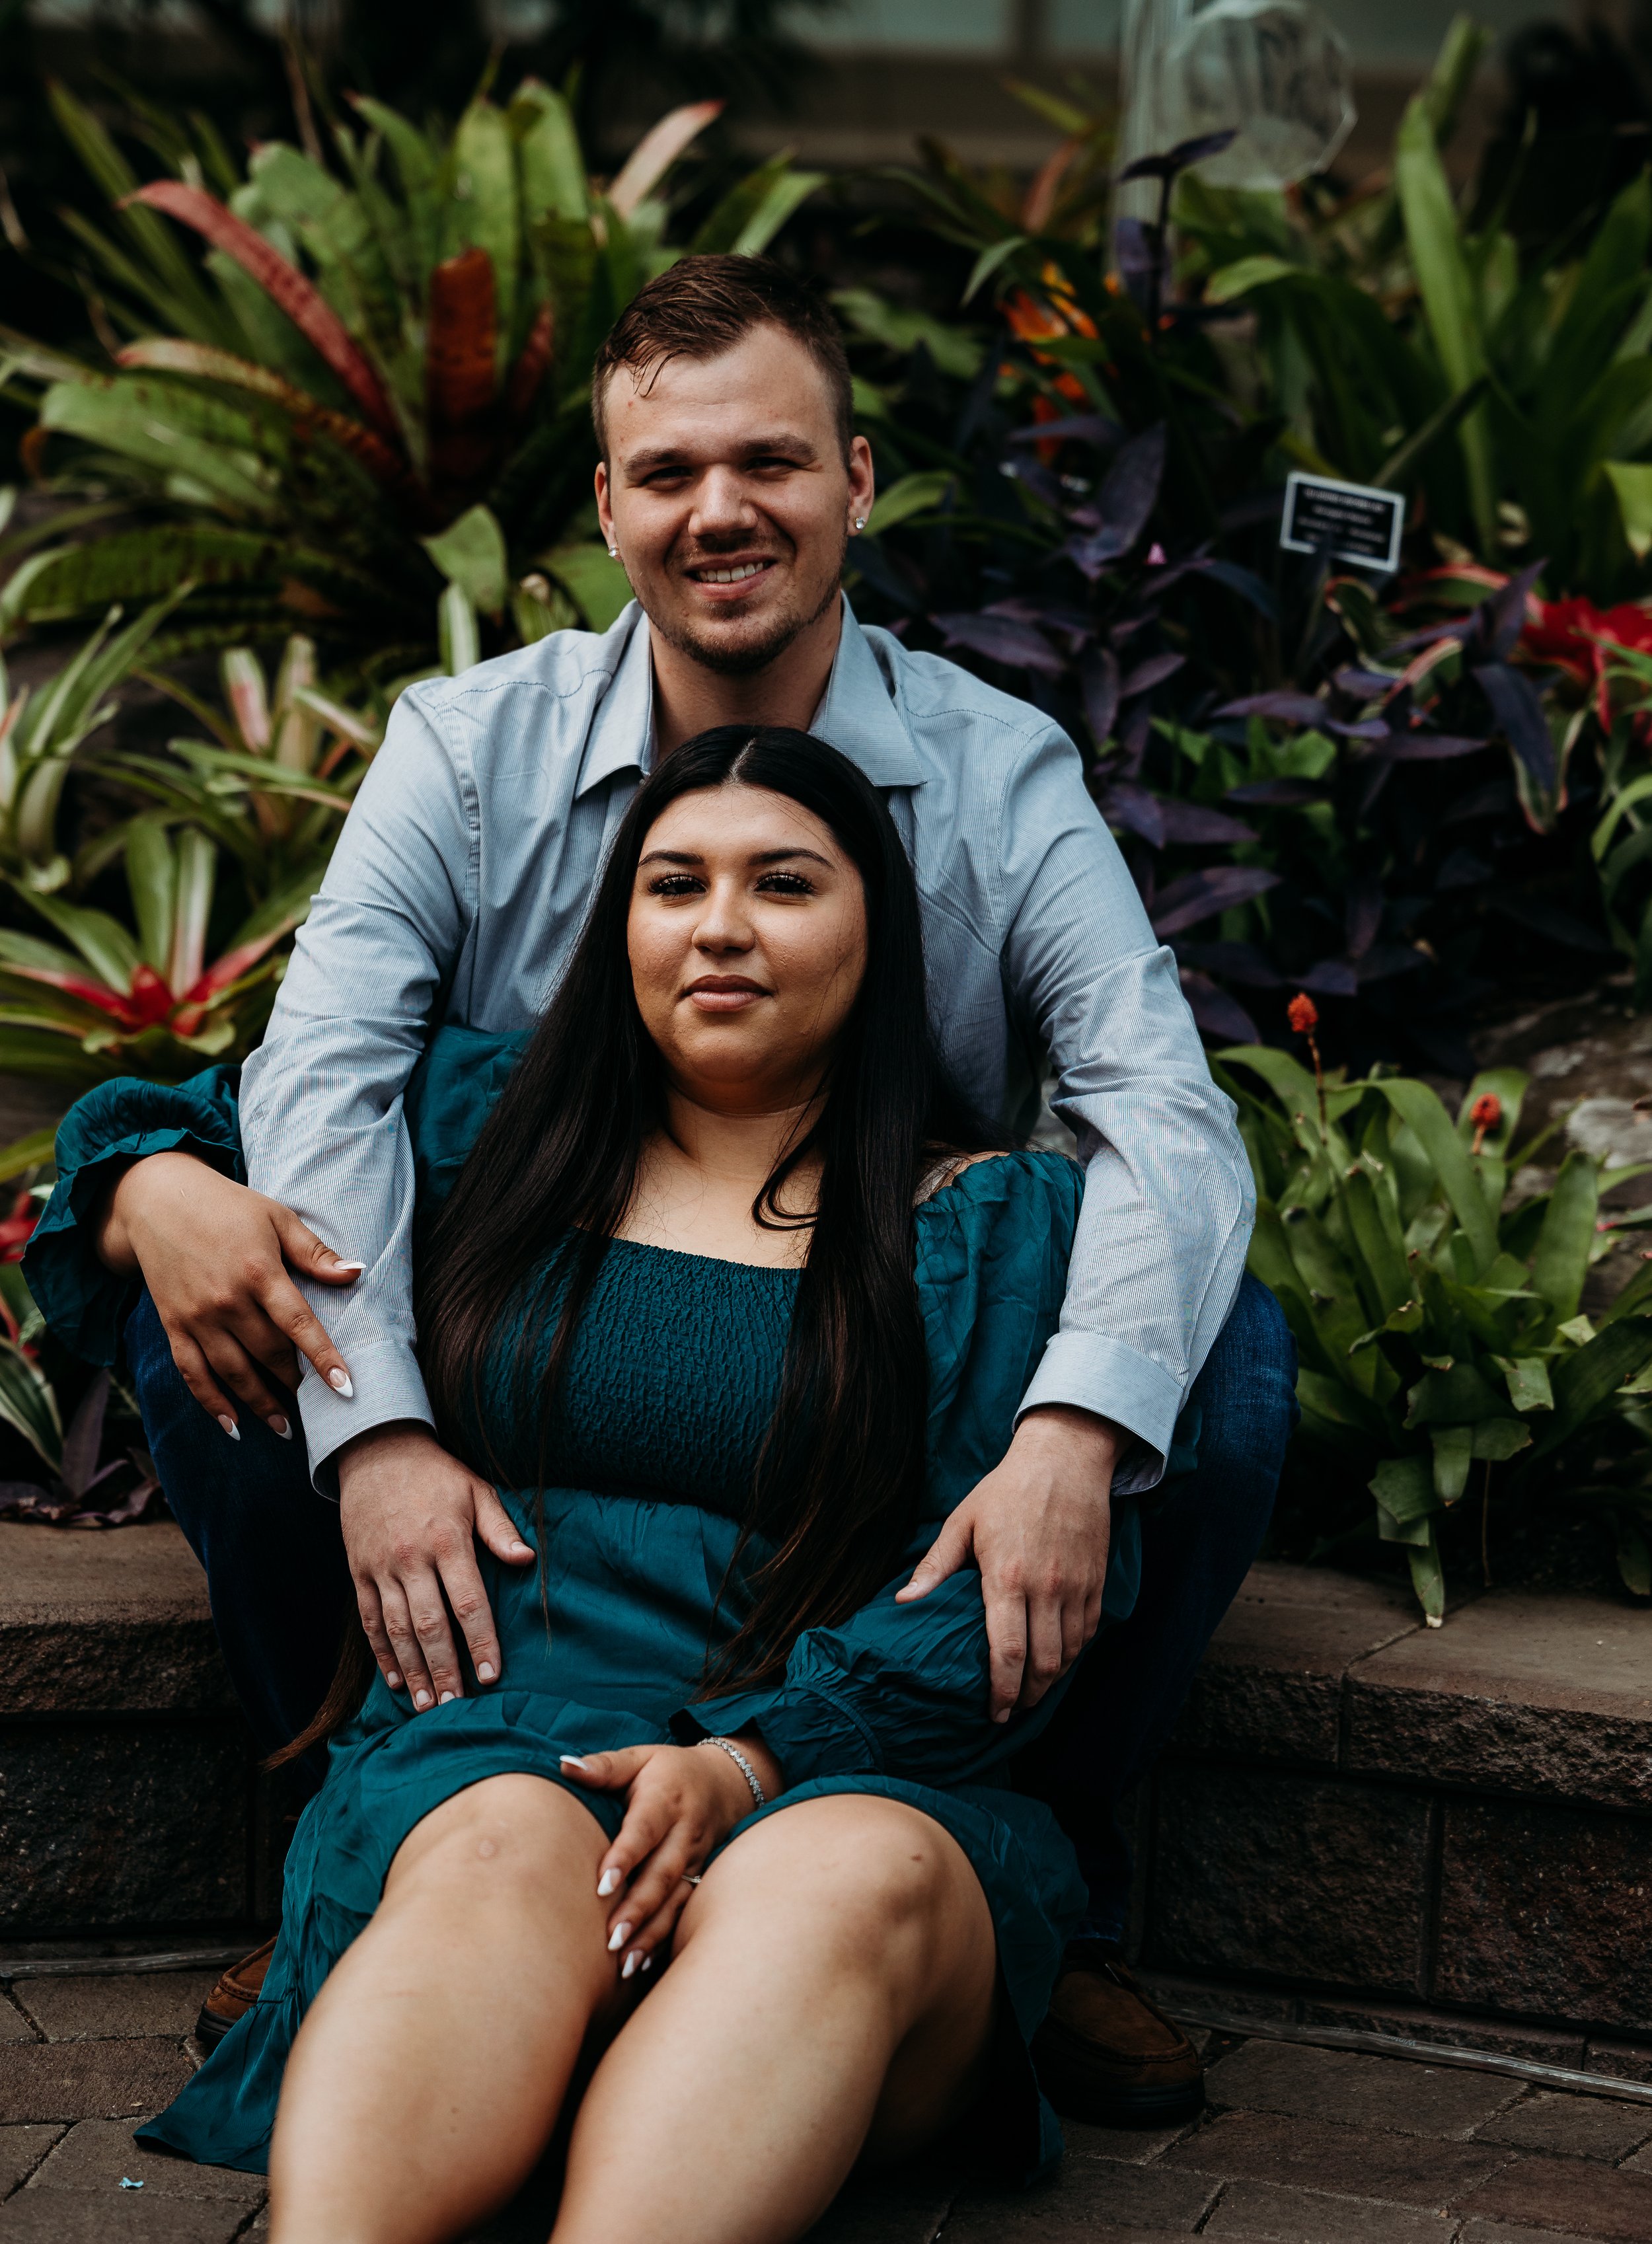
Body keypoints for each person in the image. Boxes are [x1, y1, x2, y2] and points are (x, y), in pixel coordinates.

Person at [28, 255, 1295, 2124]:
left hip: (878, 1310)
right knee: (225, 1317)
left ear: (854, 481)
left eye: (768, 461)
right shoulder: (473, 748)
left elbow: (1157, 1107)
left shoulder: (993, 771)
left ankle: (1047, 1873)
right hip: (537, 1284)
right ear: (608, 505)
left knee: (1222, 1372)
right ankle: (364, 1845)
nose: (721, 511)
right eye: (671, 471)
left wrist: (1073, 1429)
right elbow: (324, 1073)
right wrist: (376, 1430)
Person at [138, 725, 1176, 2240]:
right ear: (618, 925)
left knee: (840, 1876)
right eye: (674, 883)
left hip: (844, 1776)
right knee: (498, 1840)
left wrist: (745, 1763)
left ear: (876, 935)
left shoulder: (988, 1222)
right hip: (505, 1751)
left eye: (784, 884)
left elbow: (995, 1614)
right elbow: (177, 1126)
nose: (720, 927)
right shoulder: (481, 1125)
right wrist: (158, 1188)